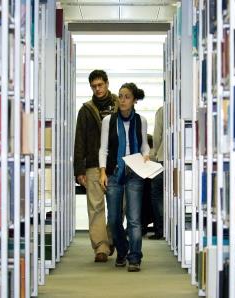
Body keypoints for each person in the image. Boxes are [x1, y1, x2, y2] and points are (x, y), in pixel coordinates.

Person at [99, 83, 149, 272]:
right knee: (113, 219)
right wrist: (102, 171)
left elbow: (144, 145)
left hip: (135, 171)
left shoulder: (141, 121)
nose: (122, 100)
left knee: (134, 219)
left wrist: (146, 154)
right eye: (120, 96)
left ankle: (134, 257)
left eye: (127, 96)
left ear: (135, 100)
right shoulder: (108, 121)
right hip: (114, 172)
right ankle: (122, 250)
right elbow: (103, 148)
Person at [74, 69, 118, 263]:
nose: (98, 89)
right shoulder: (85, 110)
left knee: (118, 207)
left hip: (117, 164)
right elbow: (79, 140)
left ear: (107, 83)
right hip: (92, 164)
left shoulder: (120, 104)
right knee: (96, 206)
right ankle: (100, 247)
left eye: (100, 85)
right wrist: (79, 170)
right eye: (94, 86)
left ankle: (110, 240)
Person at [149, 106, 164, 240]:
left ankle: (160, 230)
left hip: (163, 158)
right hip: (180, 160)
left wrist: (155, 153)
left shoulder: (162, 111)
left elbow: (157, 136)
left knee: (157, 194)